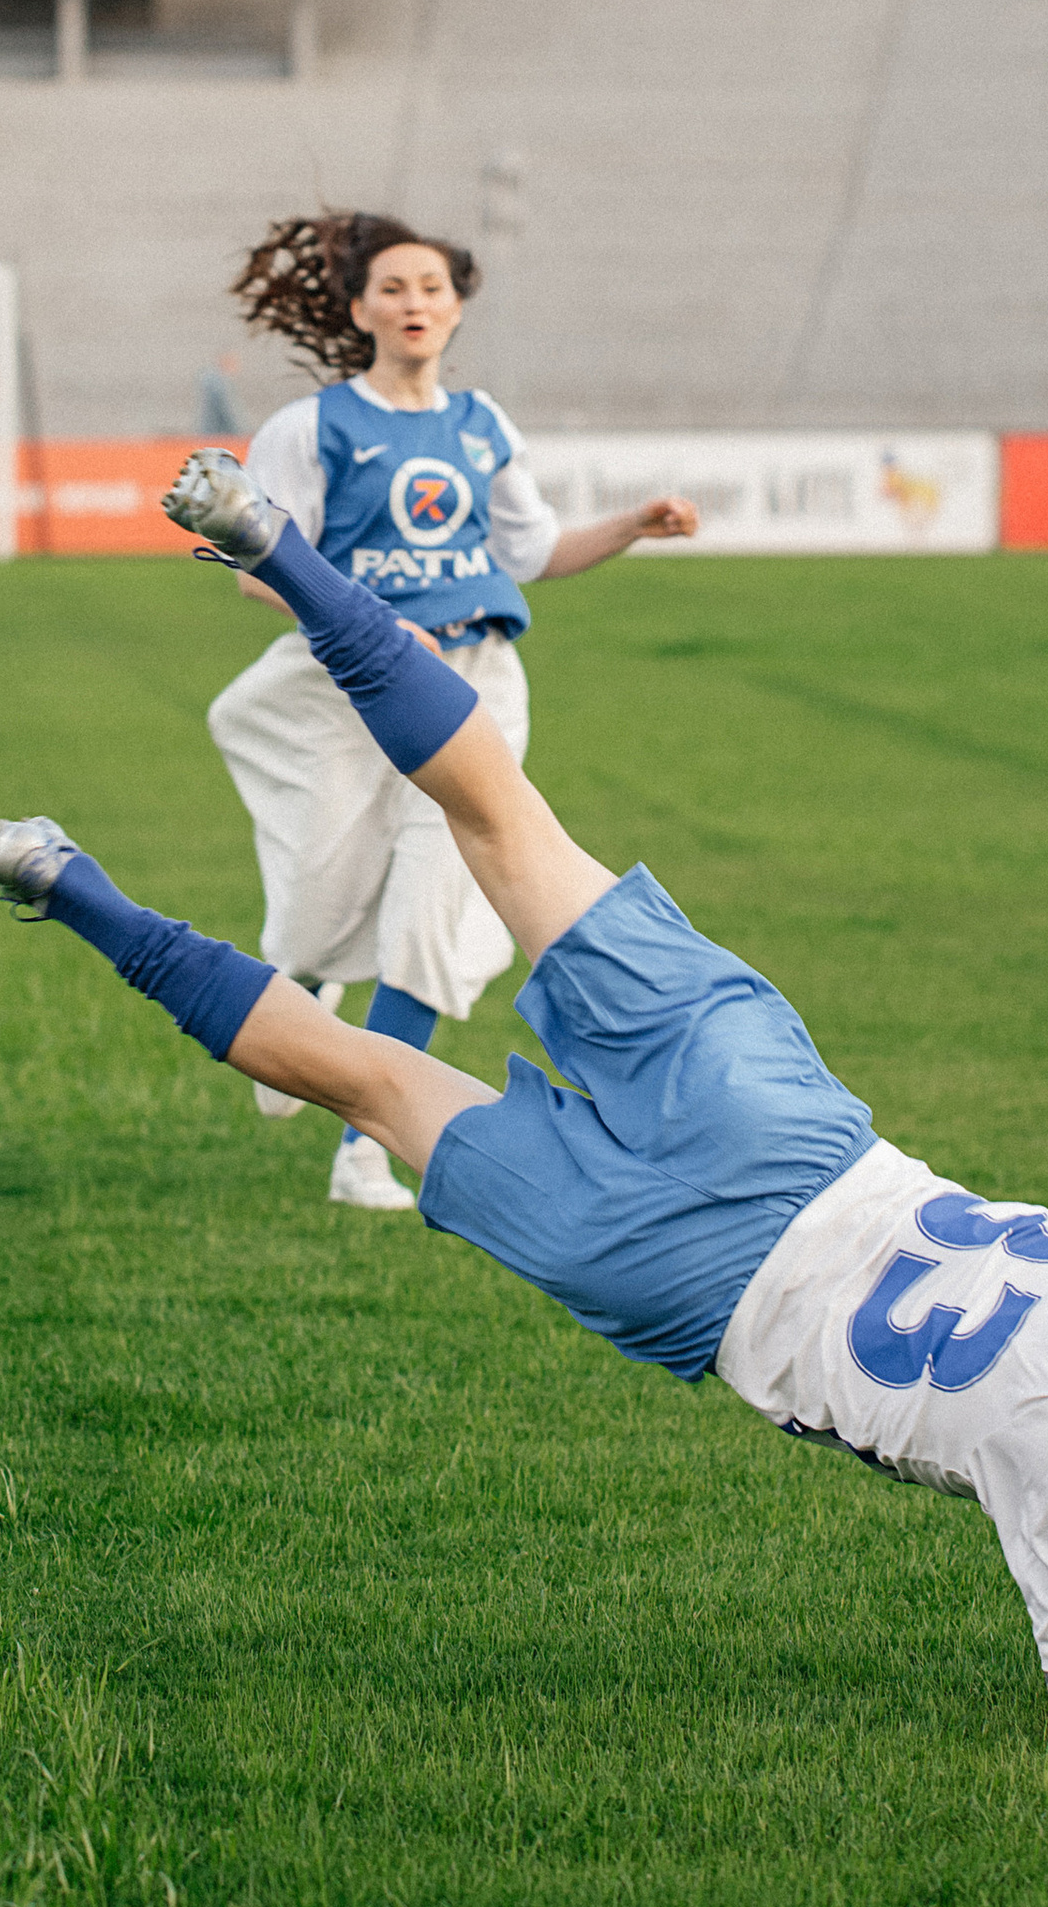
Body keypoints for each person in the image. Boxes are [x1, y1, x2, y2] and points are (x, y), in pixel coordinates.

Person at [0, 451, 1048, 1754]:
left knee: (507, 823)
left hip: (794, 1130)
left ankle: (276, 550)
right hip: (696, 1279)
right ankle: (70, 891)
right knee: (375, 1074)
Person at [201, 209, 696, 1209]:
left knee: (439, 898)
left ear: (457, 306)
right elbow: (258, 570)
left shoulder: (483, 427)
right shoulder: (313, 428)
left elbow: (529, 557)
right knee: (319, 891)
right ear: (357, 308)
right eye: (393, 287)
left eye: (431, 287)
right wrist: (376, 620)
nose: (414, 302)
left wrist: (634, 526)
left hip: (472, 685)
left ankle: (366, 1150)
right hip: (344, 684)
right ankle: (293, 1000)